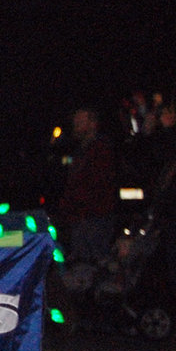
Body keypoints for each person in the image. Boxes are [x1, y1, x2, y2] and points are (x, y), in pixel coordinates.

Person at [55, 107, 118, 265]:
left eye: (80, 121)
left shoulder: (100, 149)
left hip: (94, 218)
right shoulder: (82, 149)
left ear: (92, 123)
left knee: (92, 265)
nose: (75, 124)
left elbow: (96, 184)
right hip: (82, 218)